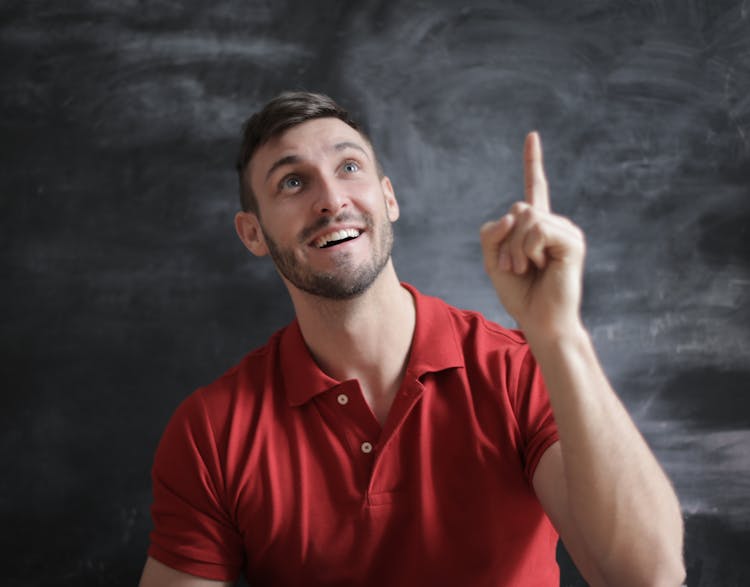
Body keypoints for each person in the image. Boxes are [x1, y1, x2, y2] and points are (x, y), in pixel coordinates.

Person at [139, 91, 685, 586]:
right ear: (253, 233)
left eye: (349, 167)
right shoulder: (211, 432)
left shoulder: (522, 371)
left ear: (389, 199)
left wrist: (560, 334)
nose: (331, 199)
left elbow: (647, 577)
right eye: (293, 182)